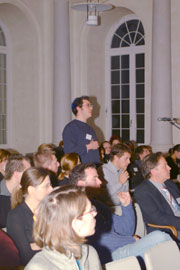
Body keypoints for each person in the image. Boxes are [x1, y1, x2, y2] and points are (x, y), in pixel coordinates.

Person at [69, 163, 171, 264]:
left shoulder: (97, 204)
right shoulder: (75, 210)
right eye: (95, 178)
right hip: (105, 256)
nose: (100, 182)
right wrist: (130, 240)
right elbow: (99, 241)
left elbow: (126, 231)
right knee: (161, 237)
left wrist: (126, 206)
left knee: (161, 245)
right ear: (81, 184)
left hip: (121, 248)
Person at [25, 185, 102, 270]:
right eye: (90, 210)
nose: (95, 213)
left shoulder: (90, 254)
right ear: (76, 224)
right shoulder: (38, 267)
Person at [7, 167, 53, 265]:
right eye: (46, 186)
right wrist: (50, 244)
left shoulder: (52, 210)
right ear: (31, 190)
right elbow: (25, 256)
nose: (51, 189)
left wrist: (36, 245)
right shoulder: (15, 216)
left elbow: (65, 242)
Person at [134, 152, 180, 236]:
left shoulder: (170, 184)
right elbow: (158, 218)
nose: (169, 168)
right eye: (165, 166)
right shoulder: (142, 192)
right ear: (154, 171)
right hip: (167, 230)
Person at [62, 96, 100, 164]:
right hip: (80, 171)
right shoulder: (70, 128)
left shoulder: (90, 129)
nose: (91, 108)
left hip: (93, 169)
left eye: (91, 105)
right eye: (88, 105)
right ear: (78, 108)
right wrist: (88, 147)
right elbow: (69, 152)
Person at [0, 154, 31, 228]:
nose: (31, 175)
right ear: (16, 174)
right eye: (28, 171)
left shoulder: (26, 192)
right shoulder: (1, 198)